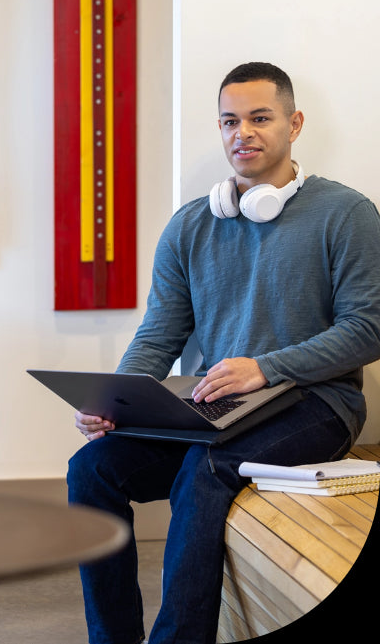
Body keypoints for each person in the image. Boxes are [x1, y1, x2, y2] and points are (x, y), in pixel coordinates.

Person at [66, 62, 380, 644]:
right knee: (90, 469)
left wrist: (266, 368)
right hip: (211, 406)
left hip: (316, 405)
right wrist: (114, 399)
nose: (244, 133)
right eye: (231, 121)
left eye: (261, 118)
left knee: (207, 465)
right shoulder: (190, 226)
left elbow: (369, 328)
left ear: (295, 123)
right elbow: (159, 334)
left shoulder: (347, 214)